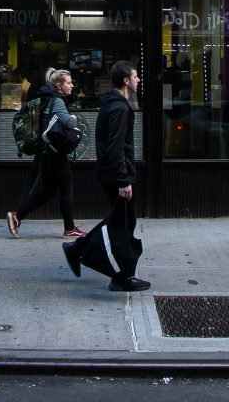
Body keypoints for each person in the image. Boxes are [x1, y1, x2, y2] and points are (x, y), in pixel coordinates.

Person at [63, 60, 148, 292]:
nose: (138, 80)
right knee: (122, 222)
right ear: (125, 80)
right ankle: (122, 275)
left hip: (111, 173)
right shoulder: (119, 108)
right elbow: (116, 147)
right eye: (135, 76)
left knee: (122, 221)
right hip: (116, 175)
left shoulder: (112, 104)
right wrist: (124, 180)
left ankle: (116, 272)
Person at [6, 67, 83, 239]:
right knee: (66, 188)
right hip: (54, 151)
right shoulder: (57, 101)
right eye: (69, 83)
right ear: (59, 85)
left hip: (46, 151)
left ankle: (17, 215)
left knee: (48, 190)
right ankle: (69, 228)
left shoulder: (46, 97)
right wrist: (75, 119)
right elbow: (67, 123)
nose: (72, 86)